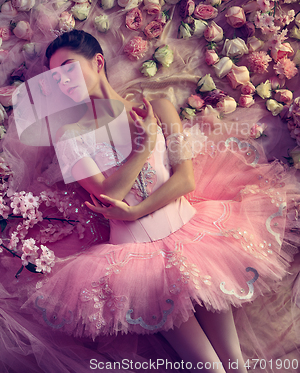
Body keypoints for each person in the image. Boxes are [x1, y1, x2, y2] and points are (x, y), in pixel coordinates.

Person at [20, 29, 297, 373]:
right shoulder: (69, 138)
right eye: (55, 76)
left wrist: (136, 210)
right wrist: (141, 149)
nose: (62, 80)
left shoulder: (160, 107)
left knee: (235, 363)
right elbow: (109, 195)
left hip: (195, 239)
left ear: (98, 62)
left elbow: (186, 179)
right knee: (209, 368)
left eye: (68, 68)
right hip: (137, 263)